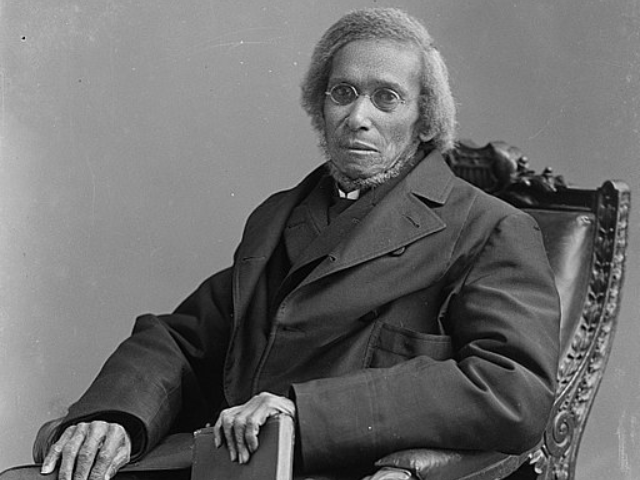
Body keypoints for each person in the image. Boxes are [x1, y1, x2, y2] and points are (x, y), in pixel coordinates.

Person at [33, 7, 560, 480]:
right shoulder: (282, 214)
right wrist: (116, 415)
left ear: (425, 121)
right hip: (230, 460)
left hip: (347, 467)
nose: (359, 117)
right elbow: (185, 338)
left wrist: (302, 411)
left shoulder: (490, 229)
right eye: (343, 93)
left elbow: (514, 389)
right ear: (320, 107)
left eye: (387, 97)